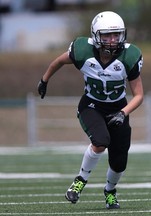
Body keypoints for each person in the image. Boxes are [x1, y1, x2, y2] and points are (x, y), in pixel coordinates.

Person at [37, 11, 144, 209]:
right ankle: (79, 181)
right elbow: (58, 61)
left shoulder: (129, 56)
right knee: (100, 141)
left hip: (119, 109)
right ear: (95, 35)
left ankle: (110, 191)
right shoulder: (82, 50)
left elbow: (138, 95)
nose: (112, 40)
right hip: (91, 106)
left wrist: (123, 113)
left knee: (119, 162)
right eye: (107, 35)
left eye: (116, 35)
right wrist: (44, 80)